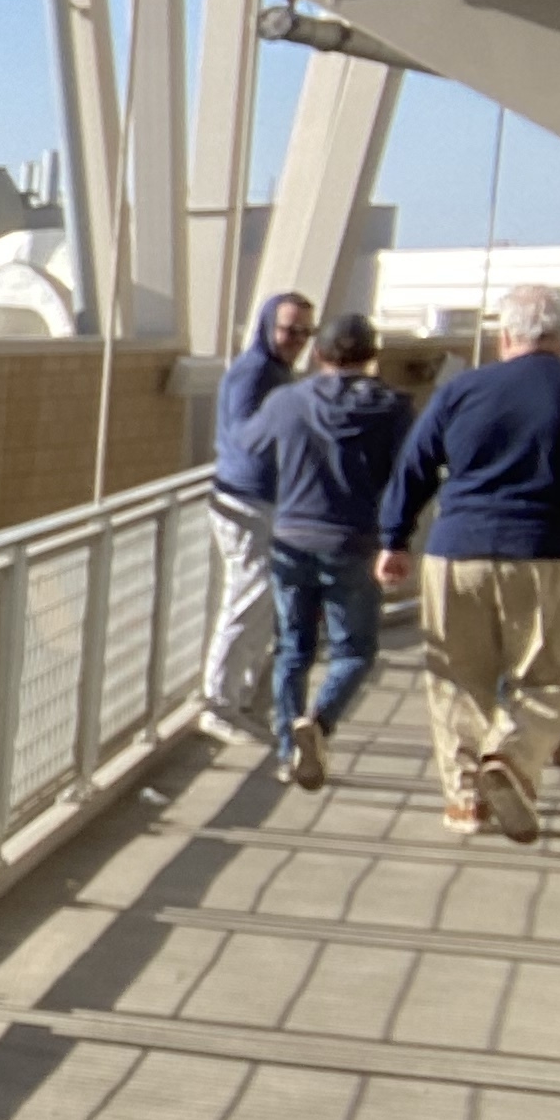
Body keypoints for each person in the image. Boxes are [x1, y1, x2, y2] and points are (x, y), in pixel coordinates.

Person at [378, 281, 560, 844]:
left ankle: (465, 802)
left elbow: (414, 465)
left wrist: (394, 539)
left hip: (456, 553)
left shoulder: (461, 390)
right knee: (551, 679)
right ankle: (511, 756)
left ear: (504, 335)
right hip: (553, 554)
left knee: (457, 681)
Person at [236, 313, 412, 790]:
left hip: (291, 539)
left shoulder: (288, 401)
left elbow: (248, 445)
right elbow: (410, 473)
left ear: (317, 354)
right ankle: (320, 721)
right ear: (373, 357)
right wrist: (399, 538)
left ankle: (288, 749)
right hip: (356, 542)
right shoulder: (393, 407)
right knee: (354, 650)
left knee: (292, 649)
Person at [204, 289, 318, 738]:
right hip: (245, 502)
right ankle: (217, 702)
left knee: (264, 602)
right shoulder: (253, 373)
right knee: (247, 596)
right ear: (269, 326)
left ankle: (242, 697)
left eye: (306, 332)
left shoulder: (280, 374)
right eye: (290, 330)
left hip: (270, 502)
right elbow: (245, 437)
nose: (297, 340)